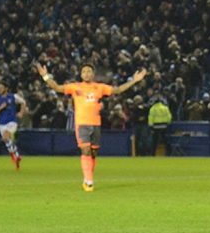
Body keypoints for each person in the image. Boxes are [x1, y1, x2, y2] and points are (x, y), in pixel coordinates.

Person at [36, 62, 147, 192]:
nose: (87, 73)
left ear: (93, 74)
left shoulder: (99, 87)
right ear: (81, 74)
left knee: (93, 153)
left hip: (95, 124)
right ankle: (89, 182)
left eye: (89, 71)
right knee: (86, 150)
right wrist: (45, 76)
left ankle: (88, 177)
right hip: (82, 124)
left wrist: (134, 80)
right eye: (84, 71)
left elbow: (117, 90)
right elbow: (57, 87)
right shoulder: (75, 87)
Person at [0, 81, 27, 170]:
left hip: (12, 121)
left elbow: (23, 102)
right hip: (2, 123)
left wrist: (21, 113)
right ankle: (15, 157)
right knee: (6, 140)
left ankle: (15, 156)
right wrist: (1, 107)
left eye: (1, 87)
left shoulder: (13, 96)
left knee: (5, 137)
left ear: (6, 88)